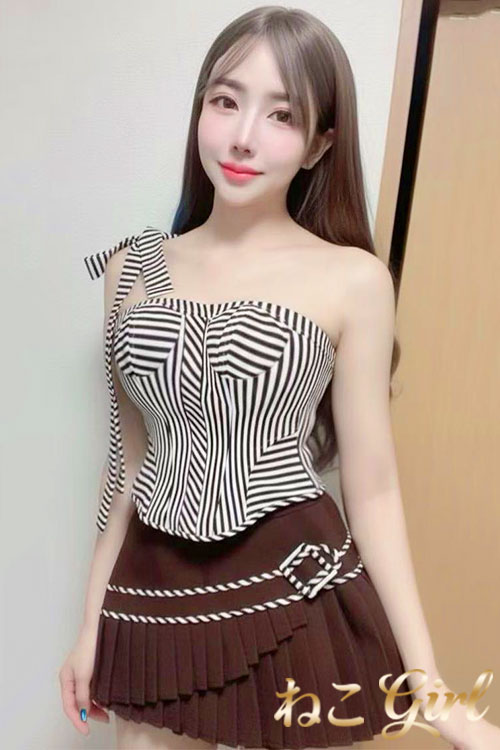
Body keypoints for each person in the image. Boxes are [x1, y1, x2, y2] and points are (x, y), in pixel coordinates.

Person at [59, 6, 500, 750]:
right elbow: (128, 469)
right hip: (150, 593)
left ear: (321, 141)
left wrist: (430, 686)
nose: (243, 136)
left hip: (294, 590)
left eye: (282, 114)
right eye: (225, 101)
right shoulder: (129, 269)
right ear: (200, 109)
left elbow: (373, 487)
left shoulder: (354, 279)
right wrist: (88, 627)